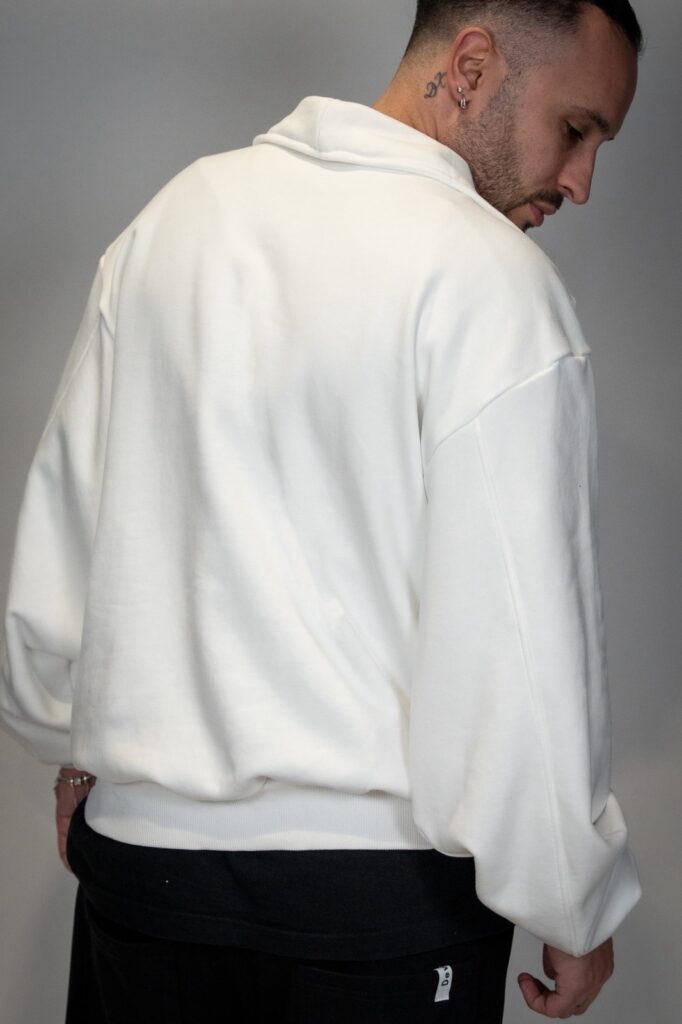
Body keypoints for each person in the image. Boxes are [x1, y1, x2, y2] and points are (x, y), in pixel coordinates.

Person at [0, 1, 643, 1021]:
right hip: (376, 908)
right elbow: (520, 648)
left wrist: (80, 745)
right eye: (575, 129)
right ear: (473, 64)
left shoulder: (174, 225)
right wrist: (571, 897)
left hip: (144, 881)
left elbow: (64, 544)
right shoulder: (493, 284)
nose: (581, 181)